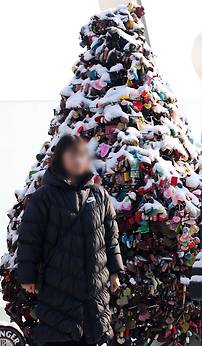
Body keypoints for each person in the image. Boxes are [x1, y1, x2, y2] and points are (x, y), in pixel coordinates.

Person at [16, 134, 124, 346]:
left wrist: (114, 272)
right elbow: (29, 239)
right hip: (58, 288)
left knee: (92, 335)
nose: (77, 160)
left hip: (94, 289)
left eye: (82, 155)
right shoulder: (44, 197)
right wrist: (27, 276)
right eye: (72, 154)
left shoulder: (99, 195)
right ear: (60, 158)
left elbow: (111, 237)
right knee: (61, 336)